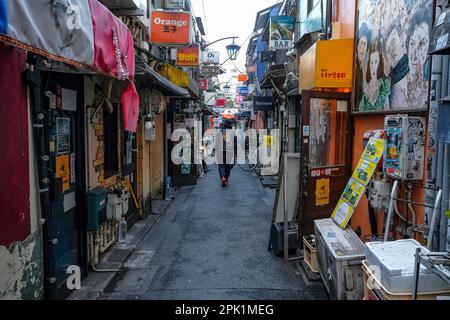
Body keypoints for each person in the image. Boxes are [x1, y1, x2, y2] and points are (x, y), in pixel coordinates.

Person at [359, 42, 391, 112]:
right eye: (371, 62)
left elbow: (387, 110)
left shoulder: (384, 84)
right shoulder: (366, 87)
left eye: (376, 62)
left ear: (380, 64)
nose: (372, 67)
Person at [385, 24, 409, 109]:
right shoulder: (388, 78)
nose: (392, 48)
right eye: (390, 44)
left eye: (394, 41)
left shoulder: (409, 68)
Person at [355, 23, 372, 108]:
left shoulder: (366, 68)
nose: (362, 47)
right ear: (357, 45)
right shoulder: (354, 68)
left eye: (365, 44)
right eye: (361, 43)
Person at [215, 120, 237, 187]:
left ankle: (223, 177)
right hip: (229, 152)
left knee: (221, 166)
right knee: (227, 166)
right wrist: (235, 154)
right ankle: (226, 179)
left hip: (220, 151)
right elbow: (235, 144)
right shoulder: (233, 133)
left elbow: (216, 143)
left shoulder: (219, 132)